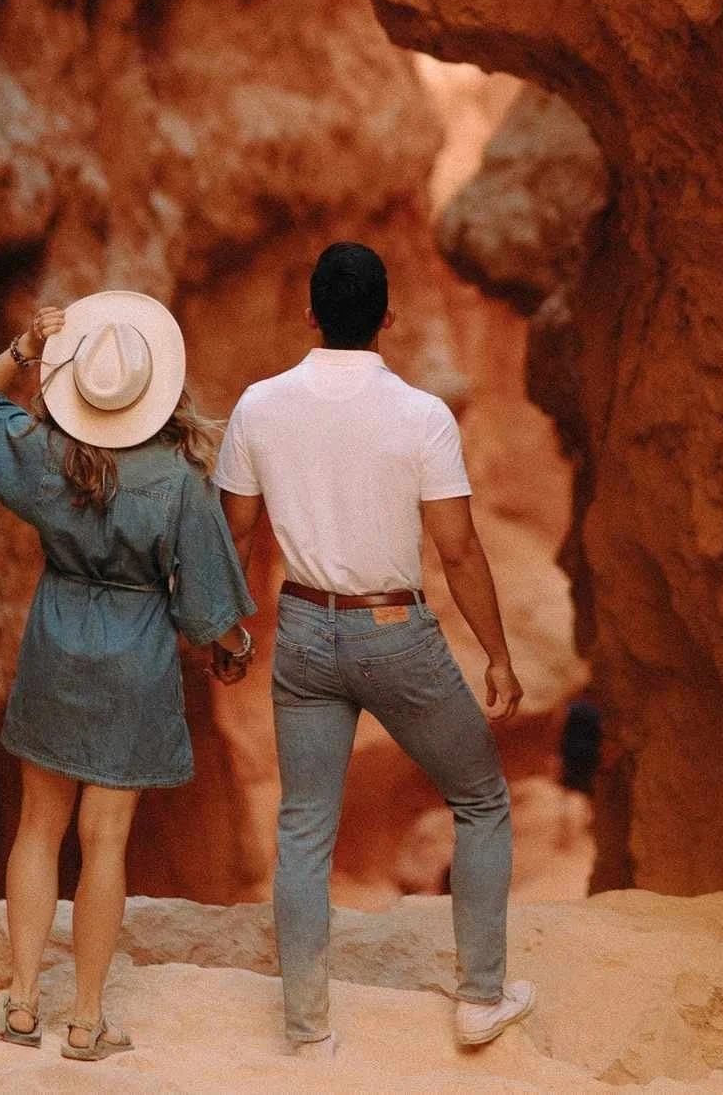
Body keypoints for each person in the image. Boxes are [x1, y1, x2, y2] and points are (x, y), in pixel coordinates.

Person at [215, 243, 535, 1056]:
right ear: (388, 316)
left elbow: (239, 533)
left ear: (312, 314)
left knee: (303, 829)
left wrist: (228, 628)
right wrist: (497, 655)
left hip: (303, 630)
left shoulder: (259, 405)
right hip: (395, 632)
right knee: (482, 798)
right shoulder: (421, 415)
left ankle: (306, 1027)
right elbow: (459, 550)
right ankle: (480, 998)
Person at [0, 290, 255, 1062]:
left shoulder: (42, 455)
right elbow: (210, 602)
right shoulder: (179, 480)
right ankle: (85, 1020)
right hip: (135, 652)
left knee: (37, 826)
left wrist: (24, 349)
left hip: (57, 637)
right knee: (105, 837)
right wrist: (230, 647)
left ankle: (22, 1006)